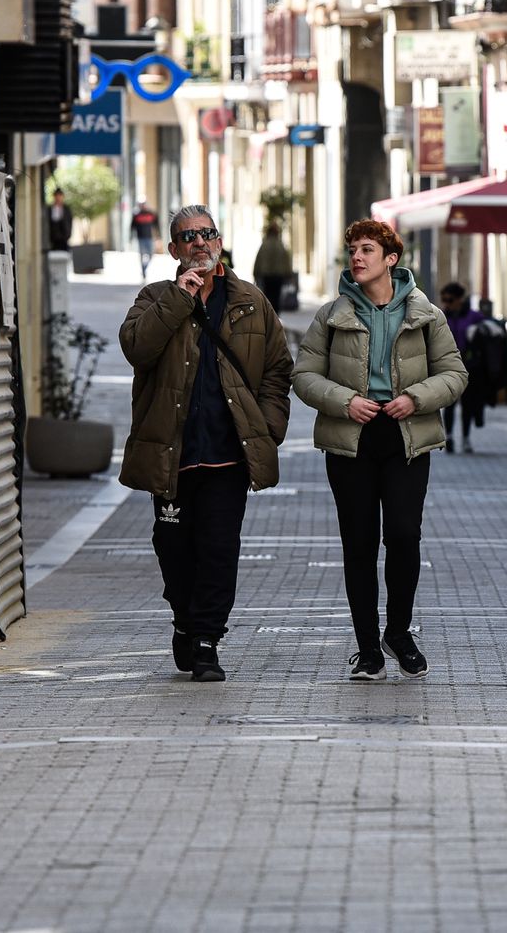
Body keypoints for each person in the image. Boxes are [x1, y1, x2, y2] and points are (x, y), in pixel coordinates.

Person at [119, 204, 293, 682]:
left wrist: (266, 428)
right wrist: (180, 297)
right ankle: (184, 619)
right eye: (187, 236)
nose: (199, 242)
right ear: (173, 249)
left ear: (219, 242)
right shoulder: (155, 297)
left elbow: (278, 369)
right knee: (173, 549)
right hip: (172, 454)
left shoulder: (251, 300)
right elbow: (137, 348)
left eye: (206, 234)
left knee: (219, 549)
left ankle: (206, 640)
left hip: (227, 455)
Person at [292, 219, 467, 681]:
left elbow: (455, 374)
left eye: (367, 249)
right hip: (352, 439)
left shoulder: (426, 315)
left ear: (391, 259)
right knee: (359, 543)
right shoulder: (331, 315)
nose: (357, 256)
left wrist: (417, 398)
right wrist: (345, 401)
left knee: (405, 536)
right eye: (353, 249)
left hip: (406, 437)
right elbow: (303, 376)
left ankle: (399, 632)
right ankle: (368, 648)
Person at [438, 282, 485, 453]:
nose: (446, 304)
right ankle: (449, 437)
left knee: (467, 404)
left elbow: (486, 334)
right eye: (444, 300)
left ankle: (466, 438)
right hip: (448, 367)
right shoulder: (441, 316)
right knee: (449, 403)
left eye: (450, 300)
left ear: (460, 299)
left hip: (469, 367)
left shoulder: (474, 317)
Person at [252, 223, 293, 311]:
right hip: (278, 276)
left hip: (267, 276)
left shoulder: (264, 245)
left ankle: (269, 314)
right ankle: (275, 315)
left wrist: (255, 274)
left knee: (267, 297)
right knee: (277, 297)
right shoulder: (280, 245)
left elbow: (258, 260)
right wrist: (289, 274)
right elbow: (286, 260)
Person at [130, 199, 160, 280]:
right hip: (140, 239)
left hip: (150, 238)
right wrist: (131, 238)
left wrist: (158, 237)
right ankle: (143, 271)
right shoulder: (136, 215)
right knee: (142, 255)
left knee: (151, 255)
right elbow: (132, 227)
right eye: (141, 204)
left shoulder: (151, 214)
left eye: (144, 204)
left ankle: (144, 268)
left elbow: (157, 225)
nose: (143, 206)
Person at [47, 187, 73, 252]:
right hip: (53, 239)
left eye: (59, 196)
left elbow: (69, 222)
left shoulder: (66, 209)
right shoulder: (50, 209)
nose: (58, 198)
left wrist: (67, 235)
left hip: (64, 238)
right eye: (56, 196)